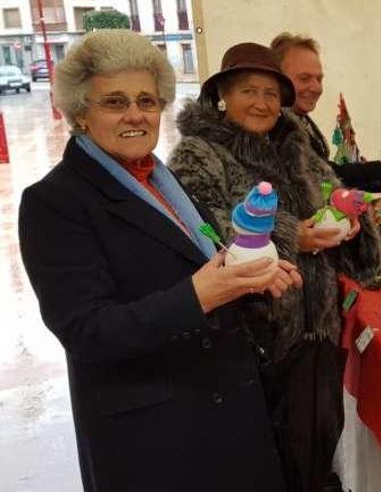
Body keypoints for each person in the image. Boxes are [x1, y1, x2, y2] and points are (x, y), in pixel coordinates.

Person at [17, 30, 300, 491]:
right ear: (80, 114)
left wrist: (247, 277)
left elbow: (200, 257)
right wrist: (200, 295)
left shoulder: (163, 180)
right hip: (155, 442)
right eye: (114, 102)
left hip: (228, 418)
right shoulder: (54, 201)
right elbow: (87, 332)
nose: (135, 114)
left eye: (147, 101)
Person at [168, 42, 381, 491]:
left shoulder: (294, 146)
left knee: (319, 447)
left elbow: (332, 194)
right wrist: (291, 236)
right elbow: (204, 231)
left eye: (270, 93)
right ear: (223, 93)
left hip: (317, 331)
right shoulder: (197, 155)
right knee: (266, 464)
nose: (262, 103)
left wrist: (351, 220)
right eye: (249, 91)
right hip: (252, 339)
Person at [270, 32, 381, 192]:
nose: (317, 88)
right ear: (278, 79)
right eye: (304, 78)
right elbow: (321, 178)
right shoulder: (276, 126)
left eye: (319, 79)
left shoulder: (299, 119)